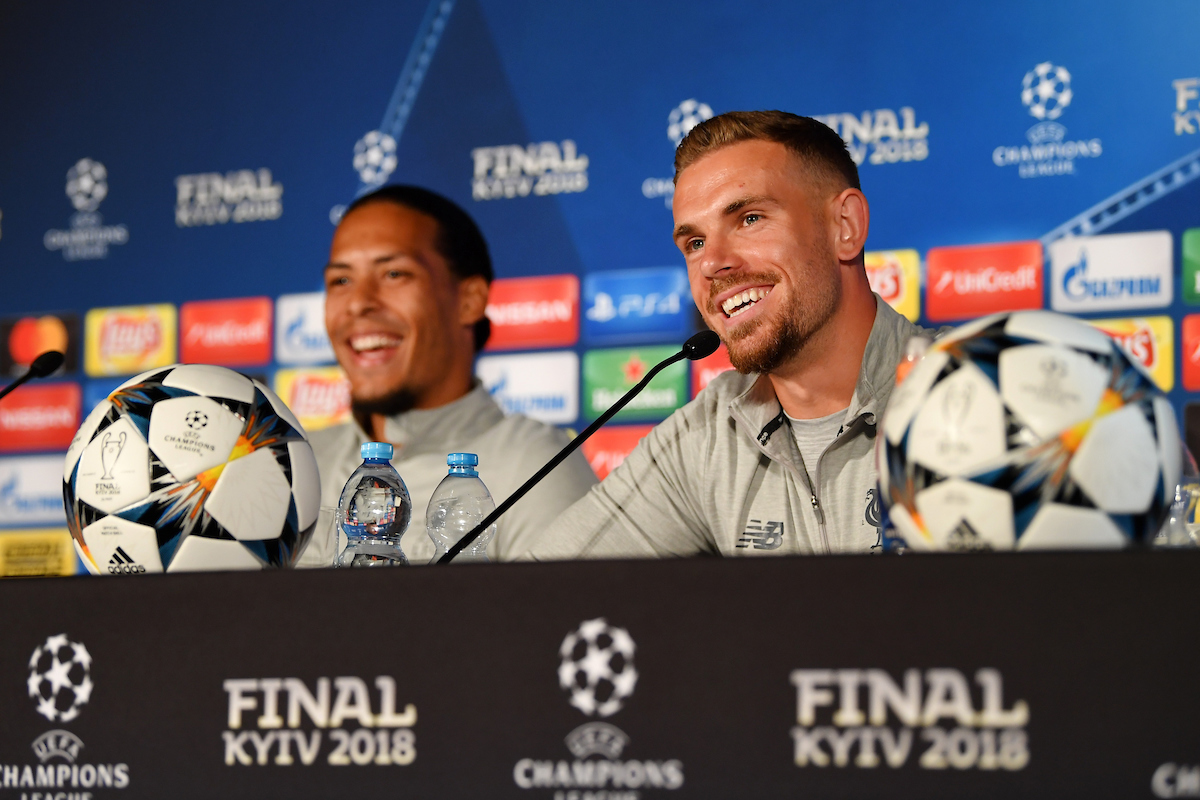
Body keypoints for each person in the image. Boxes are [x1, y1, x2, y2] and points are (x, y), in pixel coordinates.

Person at [510, 111, 933, 559]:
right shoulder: (710, 433)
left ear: (843, 227)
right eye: (694, 244)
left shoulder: (976, 388)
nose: (712, 263)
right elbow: (533, 594)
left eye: (750, 219)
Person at [298, 185, 597, 567]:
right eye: (341, 281)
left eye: (393, 274)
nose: (358, 303)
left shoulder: (535, 465)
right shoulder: (300, 464)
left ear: (470, 300)